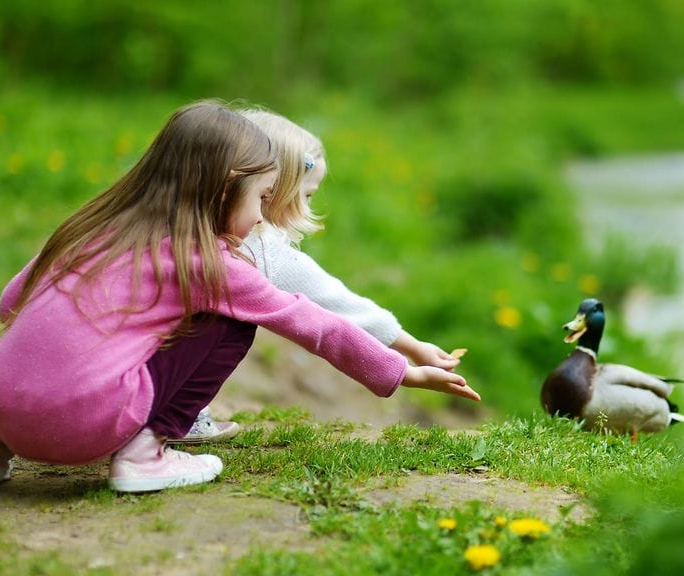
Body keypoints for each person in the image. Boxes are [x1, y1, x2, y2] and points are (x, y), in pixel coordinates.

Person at [0, 101, 479, 493]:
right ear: (225, 188)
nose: (260, 218)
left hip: (3, 408)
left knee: (35, 330)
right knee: (233, 322)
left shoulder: (95, 229)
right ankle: (145, 453)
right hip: (85, 428)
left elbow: (12, 301)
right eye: (259, 199)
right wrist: (399, 370)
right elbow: (311, 321)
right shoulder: (210, 263)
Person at [175, 109, 466, 444]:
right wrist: (412, 350)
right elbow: (334, 306)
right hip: (160, 372)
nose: (309, 208)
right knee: (233, 329)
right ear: (272, 188)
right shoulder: (264, 250)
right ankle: (181, 414)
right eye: (307, 195)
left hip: (131, 362)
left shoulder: (175, 223)